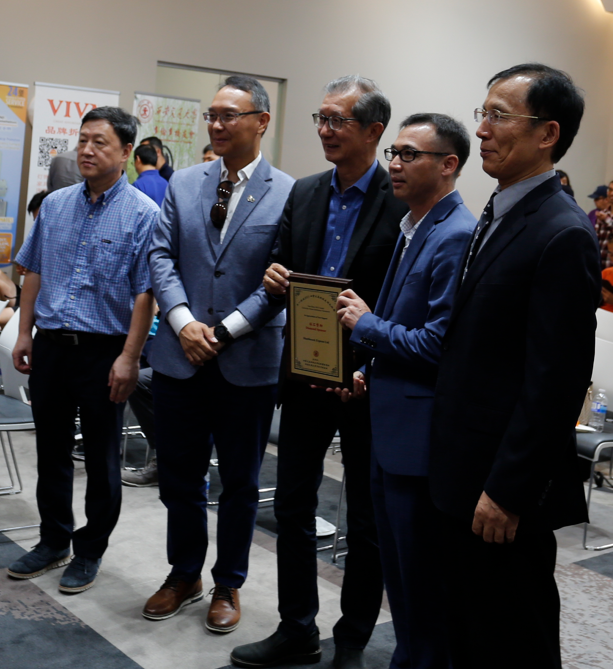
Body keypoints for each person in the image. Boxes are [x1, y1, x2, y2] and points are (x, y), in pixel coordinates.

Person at [231, 75, 407, 669]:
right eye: (321, 119)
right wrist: (276, 277)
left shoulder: (402, 202)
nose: (326, 131)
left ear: (374, 131)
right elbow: (281, 267)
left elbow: (404, 301)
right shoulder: (304, 193)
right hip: (304, 375)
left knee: (365, 518)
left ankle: (353, 638)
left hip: (365, 383)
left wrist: (372, 363)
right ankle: (296, 628)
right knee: (292, 506)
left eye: (339, 121)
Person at [429, 64, 601, 669]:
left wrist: (507, 491)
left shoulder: (562, 233)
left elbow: (554, 383)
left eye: (499, 116)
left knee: (511, 635)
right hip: (459, 470)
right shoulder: (499, 211)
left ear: (547, 133)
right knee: (466, 628)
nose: (482, 130)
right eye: (483, 113)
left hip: (499, 491)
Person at [145, 75, 294, 632]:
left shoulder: (289, 192)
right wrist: (182, 323)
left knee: (239, 481)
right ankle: (184, 573)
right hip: (179, 357)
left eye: (230, 115)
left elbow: (278, 278)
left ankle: (228, 583)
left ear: (261, 122)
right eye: (212, 114)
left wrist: (224, 330)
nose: (216, 124)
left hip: (246, 360)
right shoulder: (184, 182)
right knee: (180, 476)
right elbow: (160, 257)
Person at [335, 113, 476, 669]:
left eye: (409, 154)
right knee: (400, 577)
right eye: (393, 152)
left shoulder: (455, 234)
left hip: (417, 443)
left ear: (448, 165)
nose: (394, 164)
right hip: (388, 423)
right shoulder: (414, 224)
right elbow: (405, 327)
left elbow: (440, 346)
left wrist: (365, 328)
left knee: (420, 585)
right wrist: (371, 367)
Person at [7, 106, 158, 594]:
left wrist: (129, 358)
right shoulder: (55, 205)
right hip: (51, 346)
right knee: (50, 449)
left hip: (104, 353)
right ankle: (54, 540)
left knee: (100, 456)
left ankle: (90, 549)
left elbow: (145, 295)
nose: (87, 150)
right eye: (83, 140)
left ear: (127, 152)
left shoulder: (143, 214)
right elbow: (34, 272)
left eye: (100, 142)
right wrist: (25, 331)